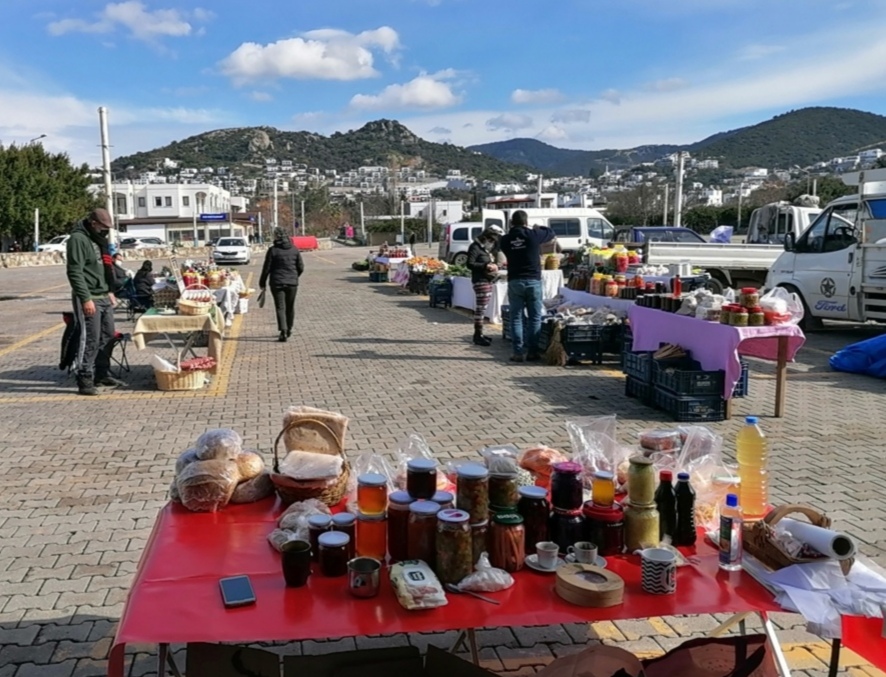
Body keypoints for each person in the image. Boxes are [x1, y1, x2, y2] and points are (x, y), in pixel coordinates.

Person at [66, 208, 124, 395]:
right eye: (103, 226)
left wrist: (110, 290)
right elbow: (75, 271)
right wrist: (86, 298)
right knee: (90, 338)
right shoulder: (78, 239)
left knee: (107, 335)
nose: (105, 230)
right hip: (89, 296)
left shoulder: (98, 240)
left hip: (103, 295)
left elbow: (105, 268)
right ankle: (84, 377)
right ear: (93, 223)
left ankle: (101, 372)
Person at [499, 210, 556, 362]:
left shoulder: (505, 240)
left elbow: (506, 249)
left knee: (516, 318)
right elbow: (550, 232)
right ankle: (532, 351)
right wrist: (536, 228)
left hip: (515, 280)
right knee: (535, 318)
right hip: (533, 281)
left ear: (511, 222)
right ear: (526, 222)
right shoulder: (533, 235)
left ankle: (518, 352)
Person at [259, 227, 304, 342]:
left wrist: (262, 282)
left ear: (276, 237)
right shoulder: (294, 249)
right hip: (292, 283)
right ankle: (289, 329)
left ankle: (283, 331)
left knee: (280, 307)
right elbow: (301, 267)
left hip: (277, 283)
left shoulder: (273, 250)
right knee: (290, 307)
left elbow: (266, 268)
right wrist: (294, 276)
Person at [466, 225, 504, 346]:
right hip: (480, 280)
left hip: (486, 280)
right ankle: (478, 335)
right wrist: (486, 266)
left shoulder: (484, 249)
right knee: (480, 309)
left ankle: (479, 333)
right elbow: (470, 264)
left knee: (482, 309)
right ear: (486, 238)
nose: (492, 243)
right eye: (491, 240)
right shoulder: (475, 247)